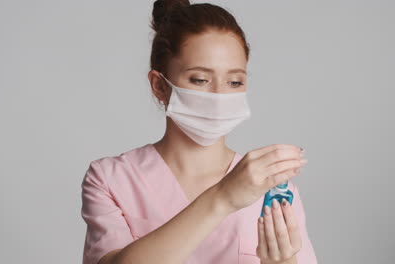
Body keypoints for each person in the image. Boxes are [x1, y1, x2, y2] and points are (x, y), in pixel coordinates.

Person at [80, 1, 318, 263]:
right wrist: (223, 197)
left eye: (234, 82)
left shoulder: (272, 189)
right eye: (200, 80)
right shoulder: (111, 179)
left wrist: (282, 261)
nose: (219, 95)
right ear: (160, 86)